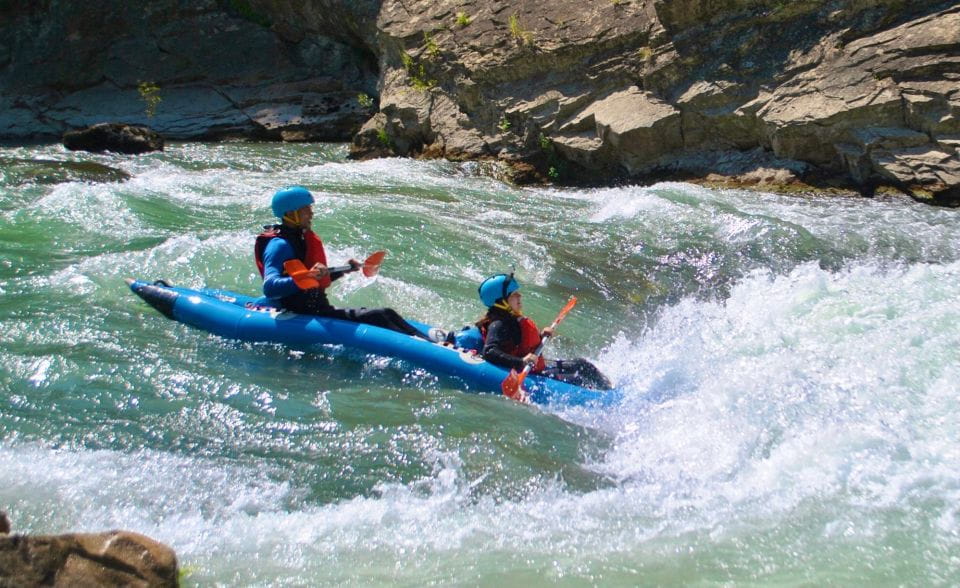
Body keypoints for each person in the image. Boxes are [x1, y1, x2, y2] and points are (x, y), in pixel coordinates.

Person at [254, 185, 430, 339]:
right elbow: (270, 287)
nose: (311, 213)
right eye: (306, 209)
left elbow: (315, 279)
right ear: (291, 214)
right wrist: (308, 276)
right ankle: (430, 347)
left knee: (387, 314)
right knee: (381, 314)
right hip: (302, 313)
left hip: (316, 309)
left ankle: (432, 341)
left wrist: (345, 269)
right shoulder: (279, 245)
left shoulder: (301, 238)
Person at [476, 273, 612, 390]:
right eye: (514, 294)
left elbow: (518, 342)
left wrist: (541, 336)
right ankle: (606, 396)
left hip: (534, 367)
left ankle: (610, 388)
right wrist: (521, 361)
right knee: (579, 379)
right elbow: (489, 351)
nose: (519, 296)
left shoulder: (509, 319)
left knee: (582, 365)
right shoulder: (498, 324)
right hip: (527, 371)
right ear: (501, 301)